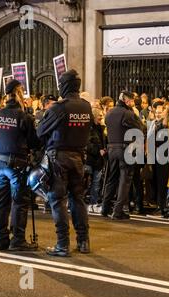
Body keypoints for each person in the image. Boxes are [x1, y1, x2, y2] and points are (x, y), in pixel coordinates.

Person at [37, 69, 92, 257]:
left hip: (59, 158)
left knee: (57, 200)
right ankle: (83, 241)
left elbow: (40, 132)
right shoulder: (86, 106)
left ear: (64, 85)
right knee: (78, 199)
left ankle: (62, 244)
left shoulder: (59, 108)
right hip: (79, 158)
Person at [0, 79, 40, 251]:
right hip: (17, 164)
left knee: (1, 202)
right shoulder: (24, 116)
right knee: (20, 201)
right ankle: (18, 239)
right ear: (19, 92)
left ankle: (1, 239)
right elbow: (34, 142)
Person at [100, 91, 142, 220]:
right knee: (125, 179)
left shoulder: (109, 113)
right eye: (132, 100)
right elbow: (140, 128)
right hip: (125, 149)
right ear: (126, 100)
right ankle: (118, 210)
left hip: (111, 149)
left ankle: (105, 208)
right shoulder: (128, 114)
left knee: (112, 178)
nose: (133, 103)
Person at [86, 108, 106, 213]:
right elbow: (87, 144)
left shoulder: (101, 128)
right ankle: (84, 203)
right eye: (100, 115)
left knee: (96, 183)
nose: (101, 117)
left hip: (98, 161)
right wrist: (98, 150)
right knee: (86, 183)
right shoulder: (88, 128)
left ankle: (93, 203)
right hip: (89, 160)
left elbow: (102, 143)